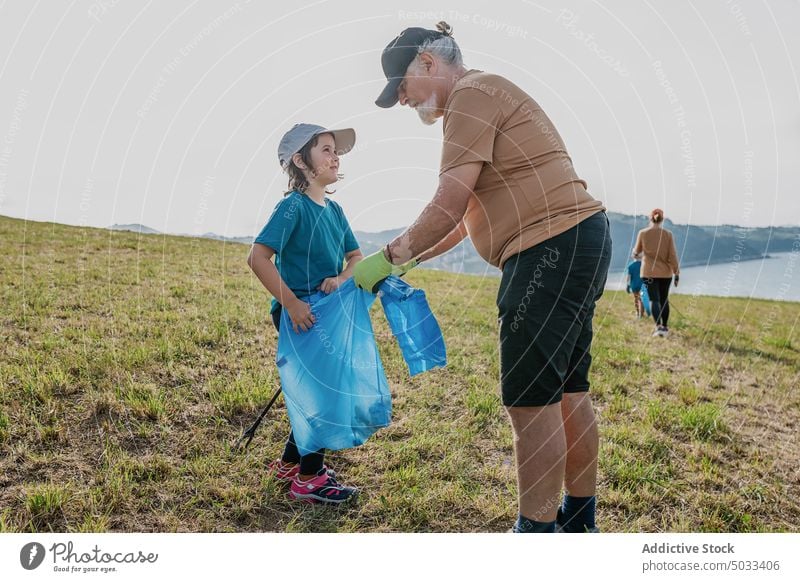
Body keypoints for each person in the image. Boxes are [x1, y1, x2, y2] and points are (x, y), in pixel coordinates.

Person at [354, 22, 611, 533]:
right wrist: (407, 260)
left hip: (546, 249)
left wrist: (381, 259)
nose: (402, 100)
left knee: (529, 400)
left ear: (428, 63)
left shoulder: (470, 95)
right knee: (566, 391)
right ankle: (579, 522)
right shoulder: (483, 95)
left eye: (402, 86)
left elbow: (446, 206)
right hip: (579, 239)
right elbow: (469, 213)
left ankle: (534, 536)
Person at [247, 123, 363, 504]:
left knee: (314, 390)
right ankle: (309, 480)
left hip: (327, 312)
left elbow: (356, 258)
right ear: (300, 160)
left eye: (336, 150)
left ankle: (289, 465)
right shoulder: (293, 206)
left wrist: (343, 278)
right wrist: (293, 305)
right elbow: (258, 257)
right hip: (300, 314)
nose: (336, 156)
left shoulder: (335, 210)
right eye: (326, 149)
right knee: (321, 395)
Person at [633, 208, 680, 337]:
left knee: (654, 300)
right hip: (666, 273)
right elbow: (672, 255)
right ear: (662, 219)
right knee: (664, 299)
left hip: (648, 272)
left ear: (650, 218)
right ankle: (665, 327)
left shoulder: (643, 233)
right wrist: (676, 273)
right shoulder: (668, 234)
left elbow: (636, 252)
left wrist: (639, 255)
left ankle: (658, 327)